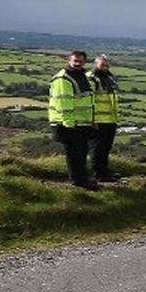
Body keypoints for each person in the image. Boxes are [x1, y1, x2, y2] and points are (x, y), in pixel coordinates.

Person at [49, 50, 98, 191]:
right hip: (67, 124)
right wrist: (69, 124)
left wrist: (91, 121)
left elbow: (88, 102)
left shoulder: (82, 76)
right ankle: (78, 181)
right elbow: (63, 103)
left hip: (81, 123)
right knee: (74, 154)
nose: (78, 64)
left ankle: (83, 178)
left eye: (81, 61)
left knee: (81, 153)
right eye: (75, 61)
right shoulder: (63, 79)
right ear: (68, 60)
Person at [87, 54, 121, 182]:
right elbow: (88, 101)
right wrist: (92, 119)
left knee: (106, 148)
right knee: (97, 148)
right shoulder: (91, 78)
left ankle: (105, 171)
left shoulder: (109, 78)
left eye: (107, 65)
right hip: (98, 121)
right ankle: (98, 173)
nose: (105, 67)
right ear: (95, 64)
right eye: (102, 65)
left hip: (110, 120)